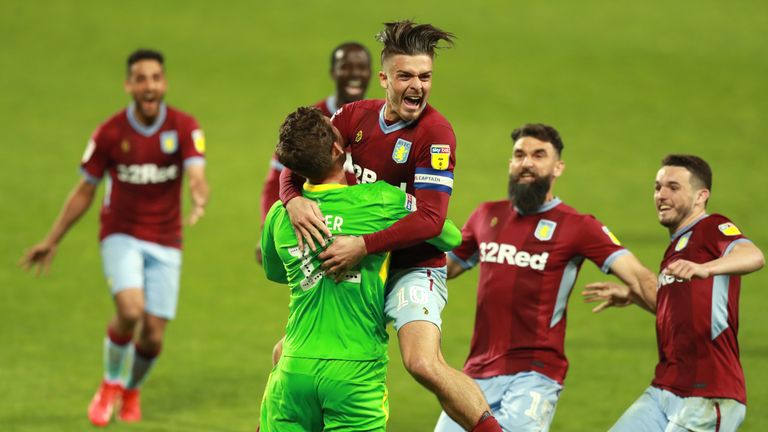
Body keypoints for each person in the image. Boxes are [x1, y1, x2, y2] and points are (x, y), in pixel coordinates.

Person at [279, 20, 502, 431]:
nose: (416, 86)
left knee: (422, 363)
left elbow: (432, 218)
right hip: (363, 266)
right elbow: (301, 156)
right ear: (383, 78)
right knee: (287, 353)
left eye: (425, 76)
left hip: (411, 265)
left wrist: (364, 243)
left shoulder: (435, 135)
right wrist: (291, 200)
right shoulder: (353, 116)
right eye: (405, 76)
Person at [19, 49, 209, 427]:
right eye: (141, 79)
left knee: (153, 337)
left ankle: (130, 389)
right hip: (120, 233)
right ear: (129, 85)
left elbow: (197, 172)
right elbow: (85, 190)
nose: (149, 85)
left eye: (155, 78)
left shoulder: (185, 127)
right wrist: (53, 238)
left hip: (167, 239)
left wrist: (199, 194)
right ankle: (109, 384)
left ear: (164, 83)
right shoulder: (109, 133)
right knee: (130, 310)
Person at [434, 123, 658, 432]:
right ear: (511, 163)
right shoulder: (487, 215)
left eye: (539, 155)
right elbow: (442, 268)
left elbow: (639, 276)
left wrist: (680, 317)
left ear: (558, 167)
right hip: (476, 374)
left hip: (534, 374)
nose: (527, 162)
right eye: (519, 155)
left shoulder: (578, 226)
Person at [259, 106, 461, 431]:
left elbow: (275, 272)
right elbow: (448, 233)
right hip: (354, 375)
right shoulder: (380, 200)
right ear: (339, 149)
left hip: (293, 369)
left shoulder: (280, 217)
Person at [583, 154, 764, 432]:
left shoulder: (711, 227)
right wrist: (633, 296)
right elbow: (681, 310)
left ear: (701, 196)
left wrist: (707, 268)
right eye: (657, 187)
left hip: (708, 392)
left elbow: (753, 255)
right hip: (665, 388)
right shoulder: (676, 247)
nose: (661, 195)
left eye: (673, 187)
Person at [259, 42, 372, 225]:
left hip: (366, 225)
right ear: (333, 73)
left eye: (362, 68)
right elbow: (277, 178)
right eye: (346, 67)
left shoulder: (382, 121)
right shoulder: (311, 121)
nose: (355, 74)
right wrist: (269, 227)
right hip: (318, 225)